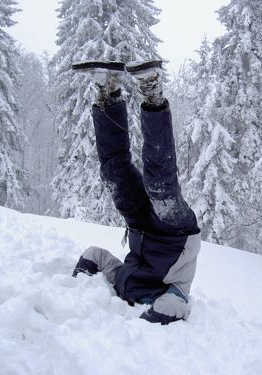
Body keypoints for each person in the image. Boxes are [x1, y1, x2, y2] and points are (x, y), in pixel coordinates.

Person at [71, 60, 201, 325]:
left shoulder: (120, 282)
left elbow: (95, 255)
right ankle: (152, 94)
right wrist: (147, 319)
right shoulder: (166, 296)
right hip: (175, 234)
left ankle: (108, 90)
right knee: (159, 185)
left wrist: (78, 283)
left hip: (140, 225)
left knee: (113, 173)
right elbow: (174, 307)